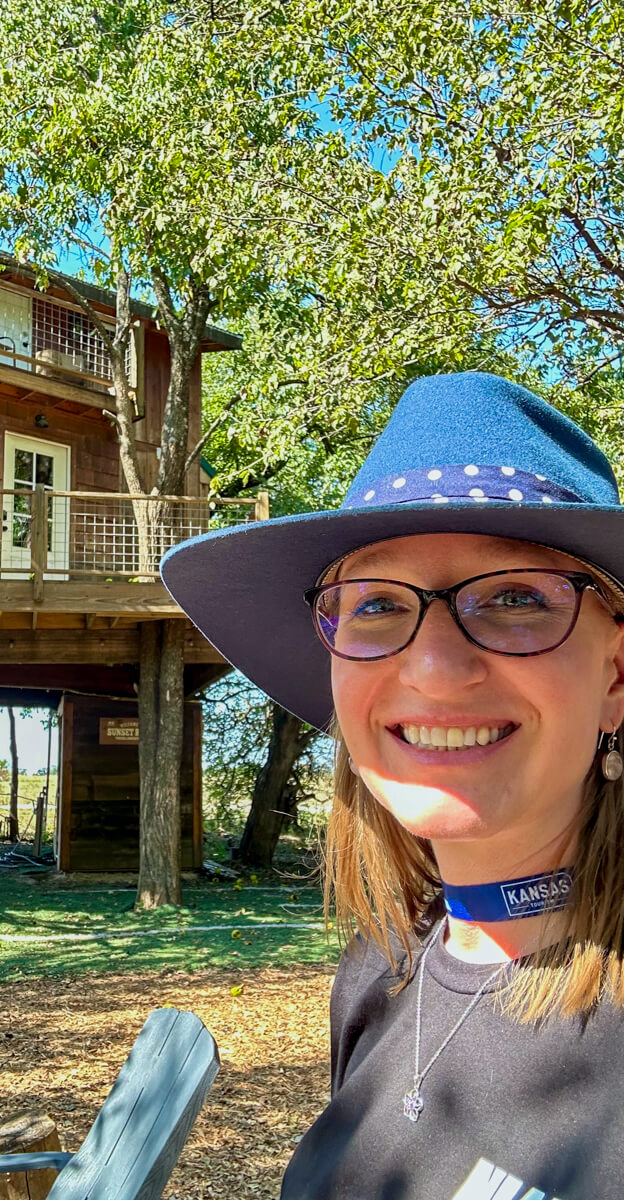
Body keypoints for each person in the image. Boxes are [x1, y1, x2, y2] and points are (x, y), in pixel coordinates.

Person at [160, 372, 624, 1200]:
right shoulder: (378, 974)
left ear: (618, 674)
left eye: (514, 596)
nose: (437, 670)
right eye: (374, 604)